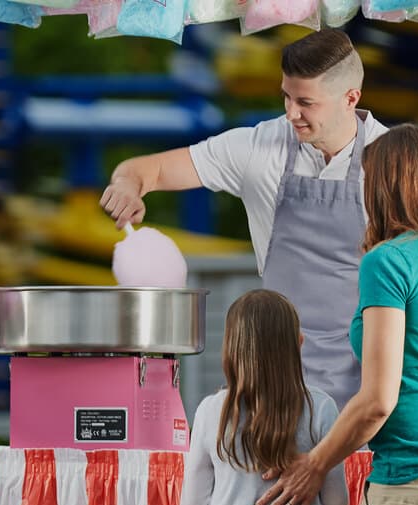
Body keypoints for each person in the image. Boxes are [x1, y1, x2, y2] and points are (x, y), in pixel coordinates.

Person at [100, 29, 388, 411]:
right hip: (277, 378)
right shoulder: (258, 147)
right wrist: (127, 186)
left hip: (370, 380)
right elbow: (146, 170)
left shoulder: (394, 164)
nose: (291, 113)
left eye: (306, 103)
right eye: (286, 96)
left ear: (350, 99)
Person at [254, 124, 418, 505]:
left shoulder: (389, 262)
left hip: (413, 479)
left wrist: (314, 464)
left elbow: (377, 400)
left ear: (385, 184)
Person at [182, 289, 349, 505]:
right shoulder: (320, 408)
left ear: (230, 349)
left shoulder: (209, 412)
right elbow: (337, 503)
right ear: (298, 344)